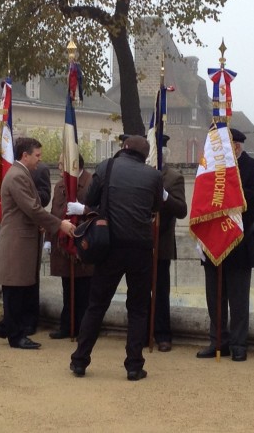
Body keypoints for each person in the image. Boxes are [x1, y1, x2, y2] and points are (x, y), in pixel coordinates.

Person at [69, 135, 163, 381]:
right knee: (138, 308)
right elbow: (155, 206)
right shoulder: (153, 176)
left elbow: (89, 199)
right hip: (141, 248)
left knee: (97, 305)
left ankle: (80, 359)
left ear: (124, 148)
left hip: (109, 245)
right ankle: (134, 365)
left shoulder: (107, 166)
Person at [0, 137, 75, 350]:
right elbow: (32, 208)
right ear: (25, 155)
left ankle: (10, 328)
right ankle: (16, 335)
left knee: (19, 288)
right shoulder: (17, 176)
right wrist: (59, 225)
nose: (40, 160)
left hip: (23, 239)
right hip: (17, 241)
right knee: (15, 288)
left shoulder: (21, 173)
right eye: (37, 156)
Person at [196, 128, 254, 362]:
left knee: (238, 298)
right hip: (214, 239)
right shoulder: (212, 170)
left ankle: (238, 343)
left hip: (240, 240)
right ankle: (218, 341)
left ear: (235, 147)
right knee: (214, 297)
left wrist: (231, 191)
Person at [45, 154, 93, 339]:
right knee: (67, 288)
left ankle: (83, 328)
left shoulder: (91, 182)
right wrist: (48, 239)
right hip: (63, 243)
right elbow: (53, 212)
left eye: (61, 163)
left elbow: (101, 209)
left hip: (83, 242)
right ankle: (67, 326)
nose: (58, 166)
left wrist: (83, 210)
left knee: (84, 289)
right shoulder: (60, 185)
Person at [149, 139, 188, 352]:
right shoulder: (142, 173)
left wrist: (165, 198)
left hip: (161, 242)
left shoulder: (174, 178)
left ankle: (163, 334)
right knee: (139, 290)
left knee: (161, 292)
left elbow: (182, 210)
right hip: (138, 241)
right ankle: (143, 331)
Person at [24, 160, 51, 334]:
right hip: (13, 229)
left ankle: (30, 320)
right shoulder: (9, 166)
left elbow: (46, 195)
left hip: (32, 226)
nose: (39, 158)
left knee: (30, 275)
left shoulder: (40, 168)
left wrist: (27, 198)